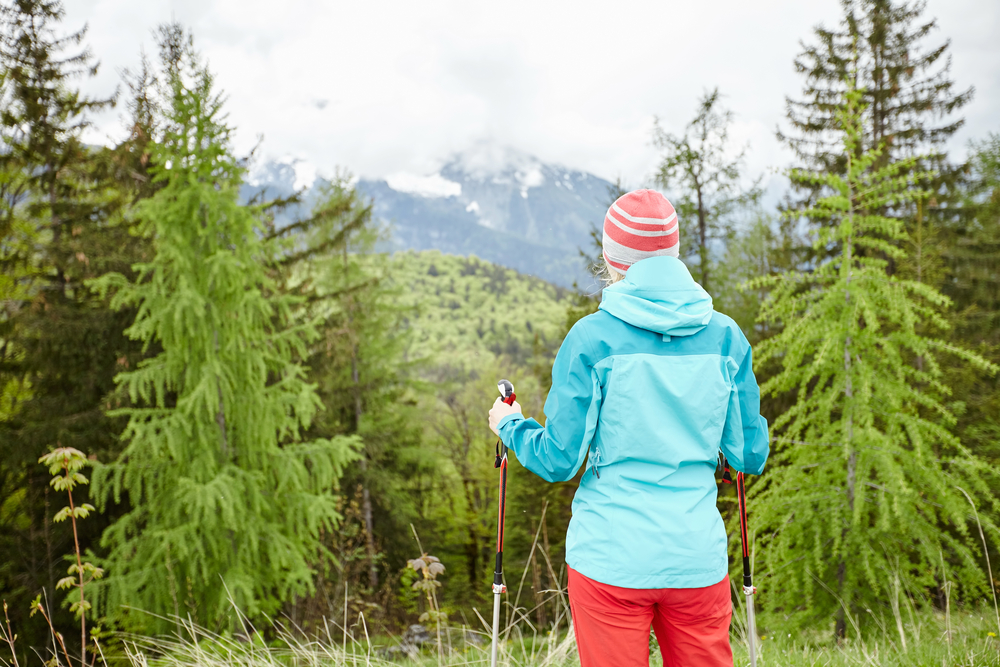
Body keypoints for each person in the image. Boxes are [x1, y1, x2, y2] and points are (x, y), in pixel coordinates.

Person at [488, 189, 769, 667]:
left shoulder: (591, 338)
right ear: (675, 253)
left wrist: (511, 426)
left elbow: (559, 459)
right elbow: (749, 455)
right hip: (696, 559)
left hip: (610, 560)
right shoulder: (726, 337)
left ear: (610, 258)